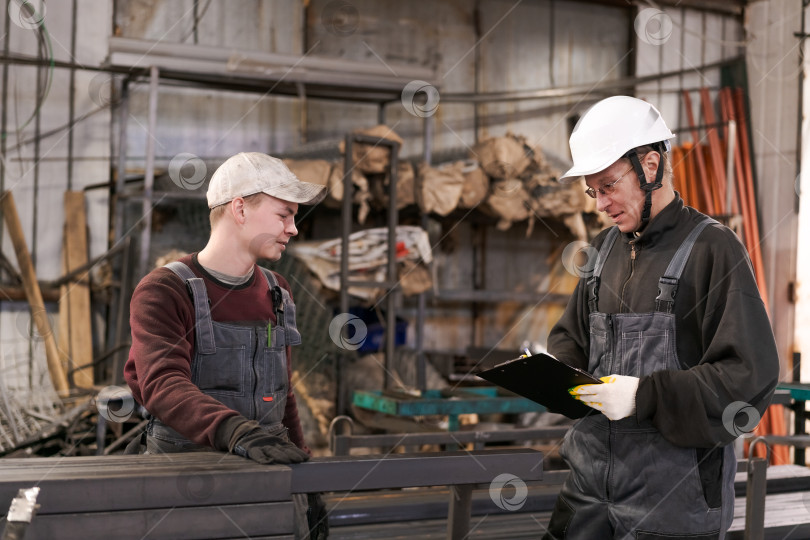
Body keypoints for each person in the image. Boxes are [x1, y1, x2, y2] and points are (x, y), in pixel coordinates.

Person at [543, 96, 780, 539]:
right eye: (593, 190)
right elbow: (569, 338)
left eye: (609, 186)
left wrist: (645, 396)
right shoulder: (602, 250)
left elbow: (747, 377)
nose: (600, 204)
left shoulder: (714, 250)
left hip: (673, 503)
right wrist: (556, 374)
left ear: (650, 166)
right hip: (589, 491)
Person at [124, 152, 329, 539]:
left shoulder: (277, 291)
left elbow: (281, 395)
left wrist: (307, 478)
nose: (293, 229)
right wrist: (236, 432)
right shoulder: (165, 290)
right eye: (284, 215)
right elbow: (163, 385)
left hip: (264, 480)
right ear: (240, 210)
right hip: (186, 484)